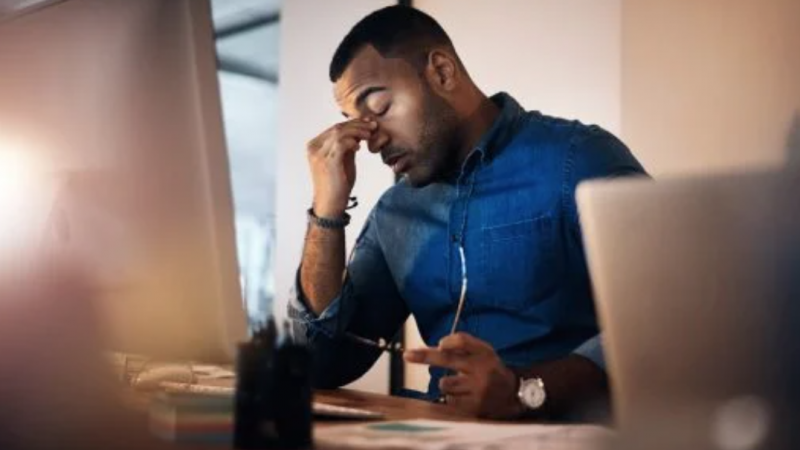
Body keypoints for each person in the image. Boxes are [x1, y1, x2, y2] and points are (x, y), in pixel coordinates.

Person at [289, 5, 646, 420]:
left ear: (441, 72)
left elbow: (664, 318)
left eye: (380, 108)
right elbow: (322, 363)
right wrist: (326, 211)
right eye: (356, 123)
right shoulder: (395, 214)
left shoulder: (578, 159)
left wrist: (521, 390)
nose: (370, 142)